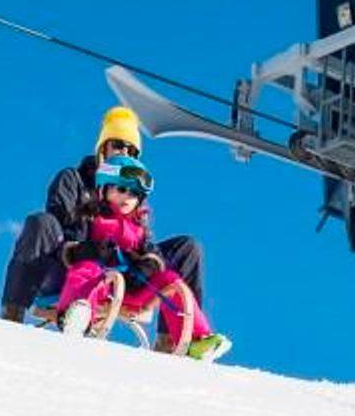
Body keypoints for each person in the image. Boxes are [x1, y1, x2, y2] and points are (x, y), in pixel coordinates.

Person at [0, 105, 207, 322]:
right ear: (102, 148)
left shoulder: (132, 193)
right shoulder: (73, 179)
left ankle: (179, 334)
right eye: (118, 145)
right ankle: (13, 311)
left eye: (131, 150)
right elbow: (56, 227)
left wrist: (148, 262)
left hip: (121, 276)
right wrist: (84, 248)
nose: (124, 153)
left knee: (188, 248)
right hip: (69, 270)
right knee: (41, 222)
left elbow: (142, 239)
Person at [55, 155, 231, 362]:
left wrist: (148, 265)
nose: (126, 197)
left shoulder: (139, 229)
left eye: (133, 194)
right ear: (103, 190)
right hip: (101, 287)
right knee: (86, 268)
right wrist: (89, 250)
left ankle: (196, 339)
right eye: (121, 189)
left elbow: (154, 253)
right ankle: (75, 314)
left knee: (171, 279)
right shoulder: (90, 217)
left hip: (132, 287)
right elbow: (70, 244)